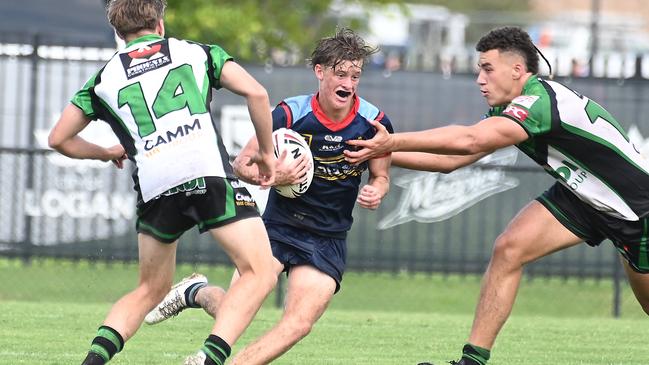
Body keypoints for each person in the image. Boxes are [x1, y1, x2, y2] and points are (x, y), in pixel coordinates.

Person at [344, 26, 649, 365]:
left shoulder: (539, 101)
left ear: (517, 70)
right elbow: (451, 161)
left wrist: (392, 142)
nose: (480, 78)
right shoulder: (513, 107)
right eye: (479, 69)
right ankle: (471, 362)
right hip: (582, 196)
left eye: (487, 68)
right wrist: (372, 152)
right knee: (508, 248)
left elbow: (470, 141)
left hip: (637, 210)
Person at [47, 1, 279, 364]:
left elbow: (59, 138)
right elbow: (258, 93)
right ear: (159, 22)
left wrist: (107, 153)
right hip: (204, 171)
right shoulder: (195, 53)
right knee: (260, 271)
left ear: (118, 33)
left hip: (155, 184)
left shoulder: (104, 79)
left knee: (149, 289)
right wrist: (267, 152)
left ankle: (91, 362)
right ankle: (209, 357)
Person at [145, 28, 393, 365]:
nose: (348, 84)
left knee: (298, 324)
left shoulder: (373, 123)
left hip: (328, 236)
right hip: (276, 228)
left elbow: (381, 176)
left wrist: (375, 190)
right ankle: (197, 293)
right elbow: (242, 165)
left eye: (355, 75)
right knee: (234, 312)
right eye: (340, 73)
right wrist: (276, 175)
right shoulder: (289, 114)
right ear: (320, 72)